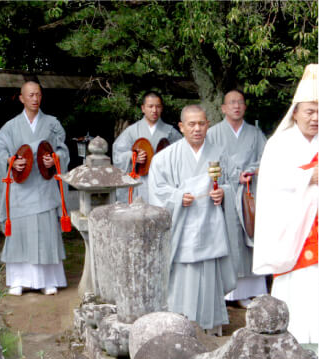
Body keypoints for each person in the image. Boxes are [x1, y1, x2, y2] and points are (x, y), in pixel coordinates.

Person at [148, 104, 240, 334]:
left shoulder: (219, 154)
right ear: (181, 127)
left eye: (201, 123)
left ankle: (210, 326)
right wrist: (178, 197)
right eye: (191, 124)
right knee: (182, 278)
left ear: (208, 124)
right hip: (182, 230)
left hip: (211, 228)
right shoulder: (165, 157)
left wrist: (224, 193)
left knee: (209, 277)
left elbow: (232, 184)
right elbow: (158, 190)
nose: (197, 129)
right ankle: (179, 326)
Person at [253, 64, 318, 344]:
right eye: (310, 111)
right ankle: (293, 339)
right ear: (295, 112)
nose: (315, 118)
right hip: (293, 231)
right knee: (297, 288)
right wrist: (308, 176)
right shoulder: (279, 144)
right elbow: (271, 184)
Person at [0, 81, 70, 296]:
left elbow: (63, 150)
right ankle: (18, 280)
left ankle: (48, 280)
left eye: (39, 95)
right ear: (22, 98)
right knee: (19, 235)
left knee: (45, 233)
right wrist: (10, 161)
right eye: (31, 95)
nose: (35, 99)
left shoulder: (52, 124)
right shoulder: (10, 127)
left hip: (43, 187)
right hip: (21, 190)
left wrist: (55, 159)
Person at [208, 89, 268, 308]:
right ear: (223, 108)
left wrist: (251, 172)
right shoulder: (213, 133)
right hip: (225, 195)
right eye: (231, 102)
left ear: (245, 107)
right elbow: (209, 163)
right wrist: (233, 176)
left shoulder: (255, 133)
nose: (236, 106)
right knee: (228, 239)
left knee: (250, 240)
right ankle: (227, 291)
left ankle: (251, 291)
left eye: (240, 102)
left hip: (250, 194)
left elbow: (266, 160)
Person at [113, 91, 182, 203]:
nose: (154, 110)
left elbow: (181, 155)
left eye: (158, 106)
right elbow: (118, 154)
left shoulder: (170, 132)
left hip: (163, 181)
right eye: (150, 106)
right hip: (140, 183)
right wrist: (132, 156)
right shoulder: (131, 131)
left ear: (162, 108)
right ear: (143, 108)